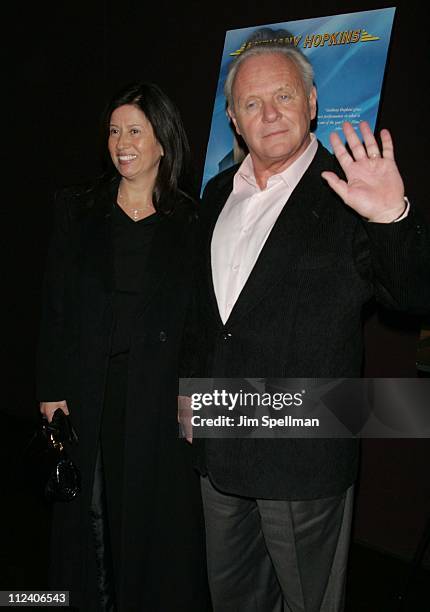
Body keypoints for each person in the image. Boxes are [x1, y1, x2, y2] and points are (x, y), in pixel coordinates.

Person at [191, 38, 430, 612]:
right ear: (233, 119)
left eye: (282, 95)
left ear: (313, 100)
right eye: (251, 103)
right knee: (232, 599)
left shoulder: (350, 188)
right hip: (219, 446)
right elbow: (210, 321)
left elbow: (412, 295)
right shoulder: (216, 192)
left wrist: (392, 218)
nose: (269, 113)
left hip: (304, 451)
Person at [37, 81, 211, 611]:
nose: (122, 142)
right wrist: (52, 392)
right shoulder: (78, 209)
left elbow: (202, 320)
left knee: (152, 517)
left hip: (157, 397)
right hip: (91, 390)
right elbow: (55, 307)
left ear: (163, 141)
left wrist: (192, 395)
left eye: (135, 130)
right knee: (88, 513)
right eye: (114, 131)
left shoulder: (192, 220)